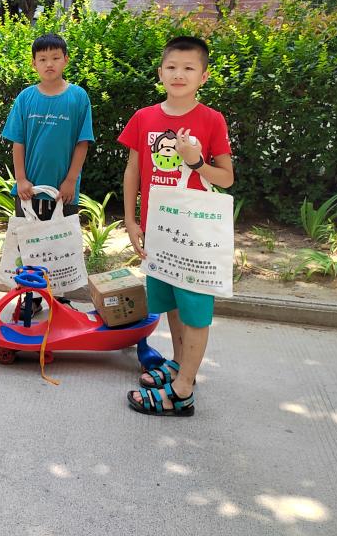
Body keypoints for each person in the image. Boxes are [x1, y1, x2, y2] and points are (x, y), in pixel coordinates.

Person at [118, 35, 233, 416]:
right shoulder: (144, 117)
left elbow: (226, 178)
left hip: (196, 235)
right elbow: (133, 169)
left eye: (188, 68)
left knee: (195, 309)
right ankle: (181, 365)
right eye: (171, 67)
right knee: (170, 300)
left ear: (204, 76)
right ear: (160, 73)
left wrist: (196, 161)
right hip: (159, 231)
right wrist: (131, 220)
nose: (178, 74)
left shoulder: (211, 120)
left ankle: (182, 391)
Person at [2, 32, 94, 309]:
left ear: (66, 60)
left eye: (55, 57)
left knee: (61, 245)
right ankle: (31, 299)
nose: (49, 63)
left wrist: (70, 180)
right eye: (42, 59)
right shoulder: (26, 98)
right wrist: (20, 179)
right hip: (28, 191)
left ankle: (60, 300)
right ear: (34, 64)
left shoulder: (78, 97)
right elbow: (18, 141)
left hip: (63, 191)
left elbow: (82, 143)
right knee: (29, 246)